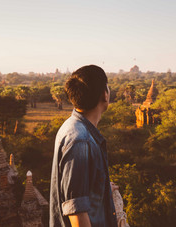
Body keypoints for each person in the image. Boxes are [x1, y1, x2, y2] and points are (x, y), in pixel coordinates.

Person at [50, 65, 118, 227]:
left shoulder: (74, 128)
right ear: (105, 94)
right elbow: (76, 211)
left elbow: (79, 188)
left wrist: (102, 189)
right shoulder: (80, 140)